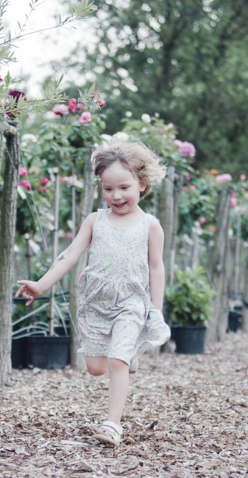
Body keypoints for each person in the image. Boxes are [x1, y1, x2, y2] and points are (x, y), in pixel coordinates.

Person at [15, 140, 170, 447]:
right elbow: (69, 256)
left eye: (123, 187)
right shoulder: (94, 221)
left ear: (142, 185)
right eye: (108, 188)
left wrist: (156, 309)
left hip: (131, 301)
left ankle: (112, 424)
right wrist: (42, 284)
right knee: (96, 368)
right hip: (97, 302)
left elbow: (156, 268)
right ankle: (125, 357)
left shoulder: (150, 226)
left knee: (116, 360)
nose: (116, 195)